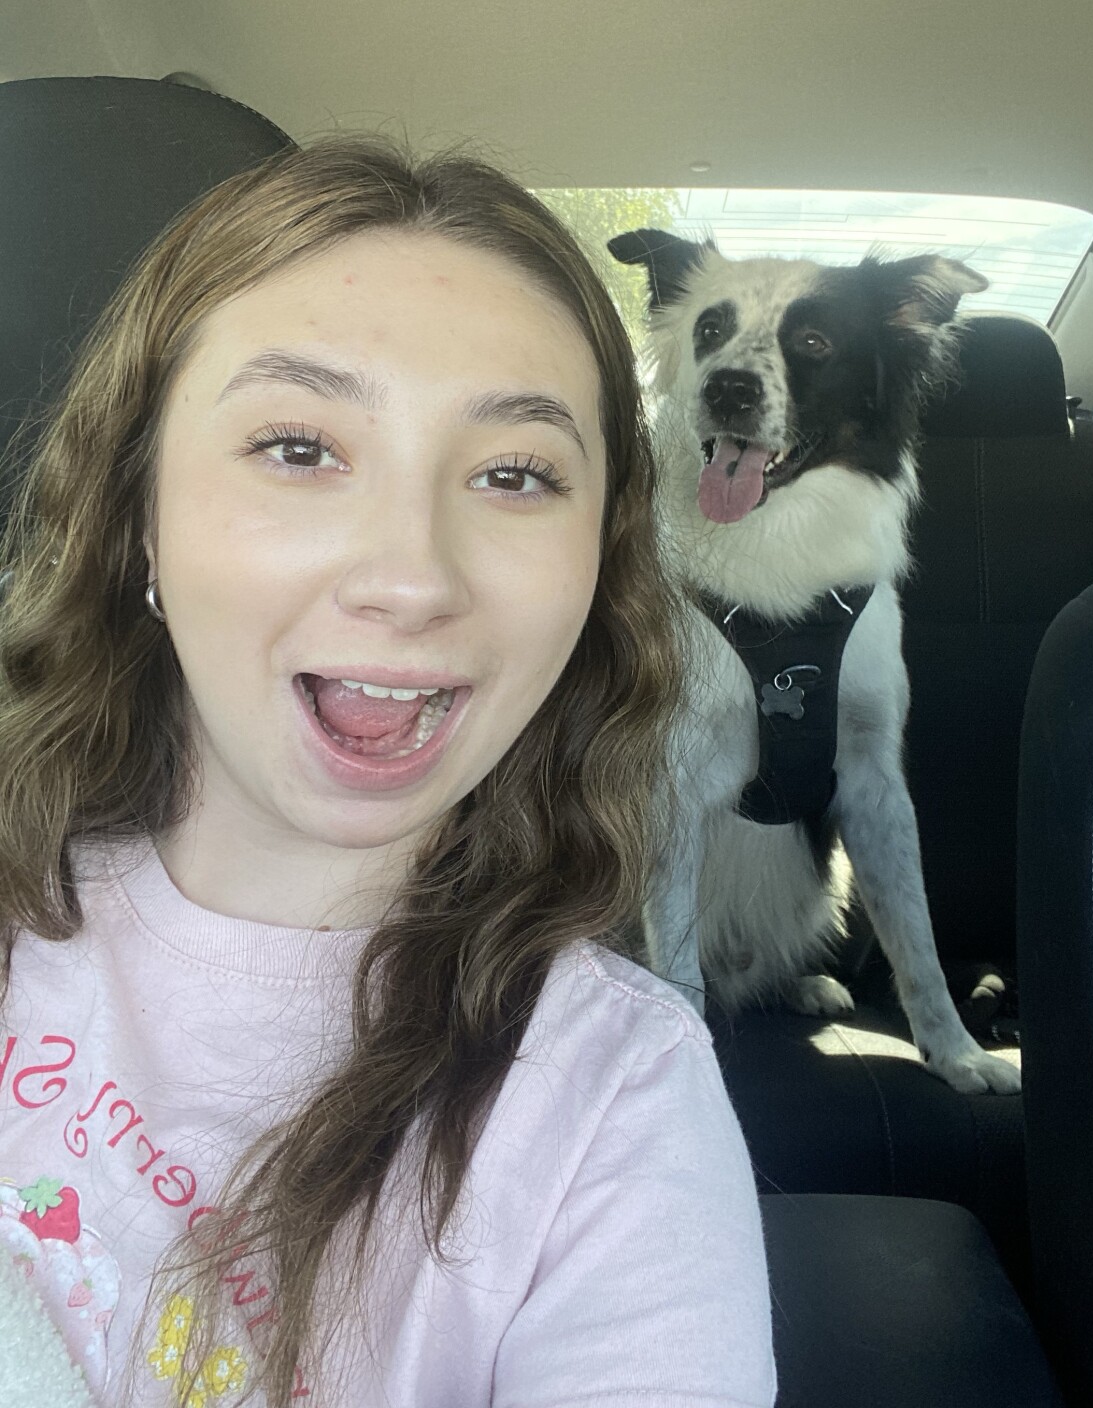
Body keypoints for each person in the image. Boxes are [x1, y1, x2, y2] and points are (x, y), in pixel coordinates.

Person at [0, 138, 776, 1408]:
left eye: (515, 474)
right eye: (299, 448)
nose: (413, 578)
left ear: (600, 567)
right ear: (139, 517)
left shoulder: (617, 1104)